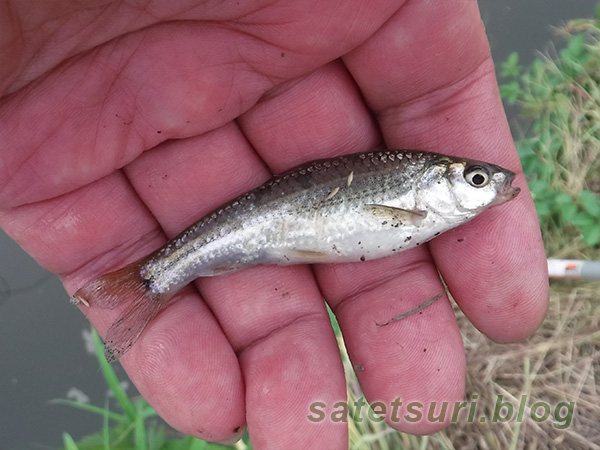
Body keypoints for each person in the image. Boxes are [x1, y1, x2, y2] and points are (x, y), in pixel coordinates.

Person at [0, 1, 548, 448]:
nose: (490, 185)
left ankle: (149, 283)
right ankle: (151, 280)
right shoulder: (416, 189)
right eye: (476, 180)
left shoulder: (419, 196)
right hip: (277, 222)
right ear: (433, 183)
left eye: (481, 180)